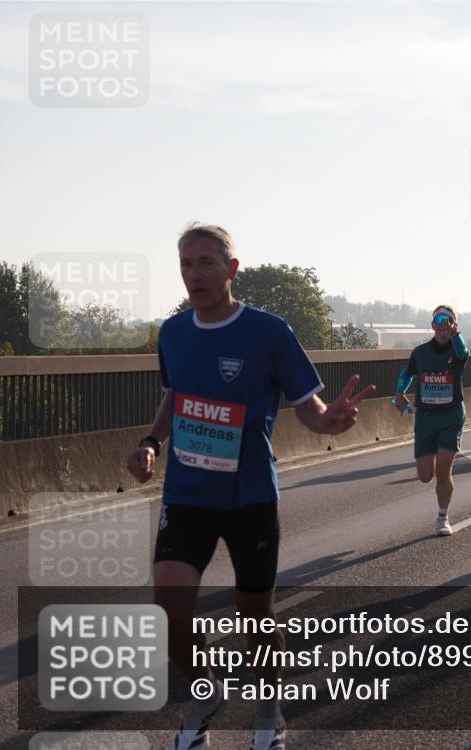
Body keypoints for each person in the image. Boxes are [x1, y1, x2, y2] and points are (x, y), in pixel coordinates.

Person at [125, 223, 375, 750]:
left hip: (250, 498)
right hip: (187, 495)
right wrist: (151, 441)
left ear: (231, 269)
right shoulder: (172, 332)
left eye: (206, 263)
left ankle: (268, 713)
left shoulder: (269, 332)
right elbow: (176, 395)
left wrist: (333, 421)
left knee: (254, 619)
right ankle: (205, 691)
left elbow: (312, 413)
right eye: (186, 265)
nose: (195, 274)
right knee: (168, 609)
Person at [394, 305, 469, 536]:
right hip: (426, 418)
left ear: (455, 324)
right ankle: (434, 459)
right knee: (426, 476)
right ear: (432, 324)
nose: (444, 323)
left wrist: (457, 335)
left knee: (444, 472)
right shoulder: (420, 352)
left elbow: (464, 352)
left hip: (451, 416)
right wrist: (399, 393)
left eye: (449, 320)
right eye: (439, 319)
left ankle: (442, 517)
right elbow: (407, 373)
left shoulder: (457, 350)